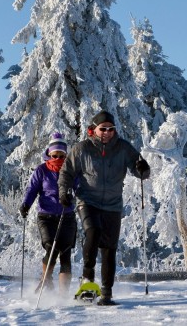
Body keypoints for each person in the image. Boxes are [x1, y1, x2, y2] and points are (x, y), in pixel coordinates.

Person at [58, 110, 150, 305]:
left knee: (109, 248)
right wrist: (64, 192)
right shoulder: (82, 149)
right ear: (94, 129)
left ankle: (107, 291)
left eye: (110, 129)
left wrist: (143, 169)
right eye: (103, 128)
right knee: (93, 232)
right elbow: (66, 172)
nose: (107, 132)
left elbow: (138, 167)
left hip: (113, 205)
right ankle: (87, 280)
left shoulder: (123, 148)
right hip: (88, 201)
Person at [19, 132, 78, 296]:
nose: (58, 157)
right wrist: (26, 205)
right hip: (46, 216)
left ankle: (63, 295)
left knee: (65, 254)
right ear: (49, 154)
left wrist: (72, 196)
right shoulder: (42, 170)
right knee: (51, 248)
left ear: (66, 154)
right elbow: (32, 190)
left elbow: (81, 188)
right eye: (55, 155)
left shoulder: (72, 170)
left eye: (61, 155)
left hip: (67, 217)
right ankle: (45, 279)